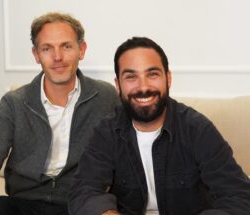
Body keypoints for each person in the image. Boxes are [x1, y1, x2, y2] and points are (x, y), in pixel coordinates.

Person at [0, 12, 119, 215]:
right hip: (23, 204)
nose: (57, 57)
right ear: (36, 54)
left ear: (82, 49)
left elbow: (126, 156)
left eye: (66, 46)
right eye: (47, 48)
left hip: (78, 204)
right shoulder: (14, 102)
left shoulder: (105, 97)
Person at [69, 37, 250, 215]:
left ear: (168, 78)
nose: (143, 87)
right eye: (131, 76)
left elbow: (239, 196)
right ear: (118, 85)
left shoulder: (197, 129)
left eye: (152, 74)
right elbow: (84, 191)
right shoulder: (107, 131)